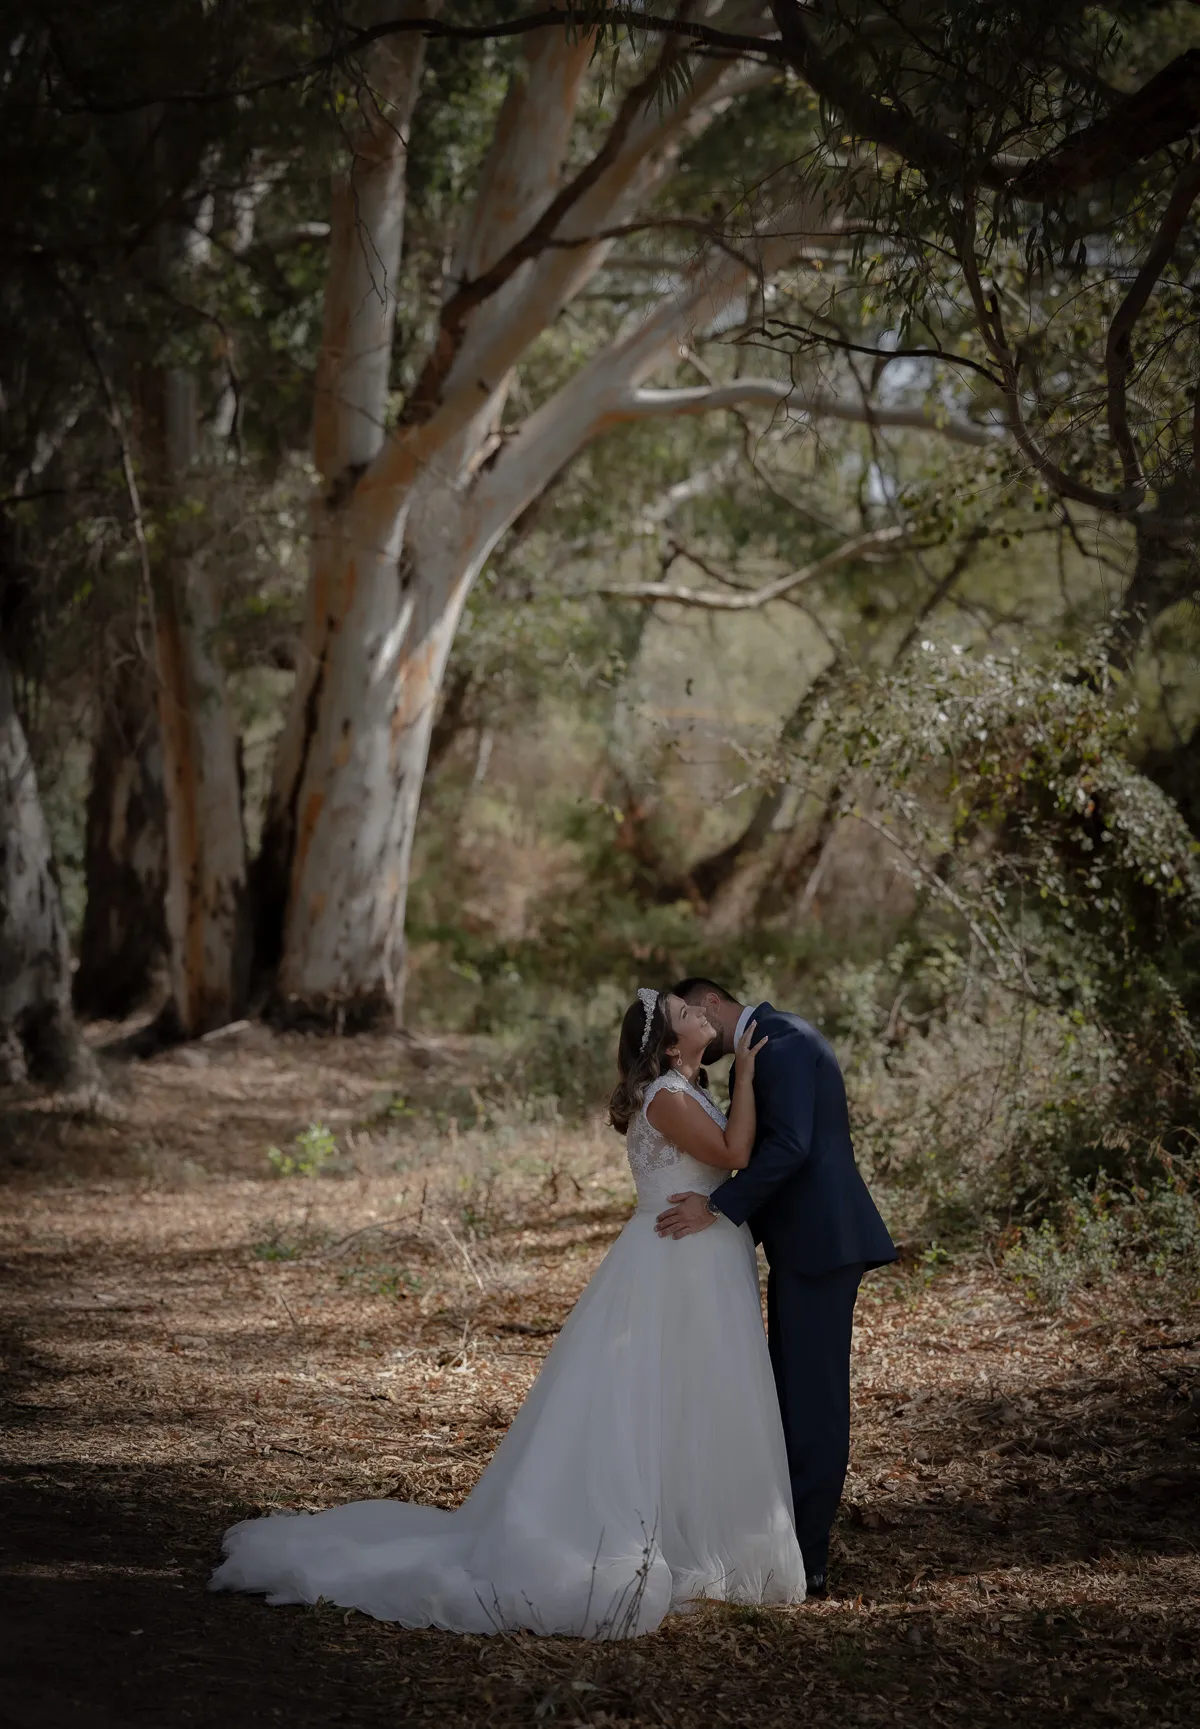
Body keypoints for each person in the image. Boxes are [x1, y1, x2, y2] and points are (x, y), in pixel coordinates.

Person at [210, 989, 806, 1638]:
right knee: (656, 1394)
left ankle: (705, 1529)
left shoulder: (681, 1087)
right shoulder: (665, 1094)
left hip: (698, 1257)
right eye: (683, 1013)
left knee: (696, 1394)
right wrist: (747, 1073)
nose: (698, 1012)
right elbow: (735, 1153)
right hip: (675, 1262)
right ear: (669, 1045)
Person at [655, 979, 897, 1597]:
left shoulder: (783, 1042)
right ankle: (785, 1537)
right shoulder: (769, 1044)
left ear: (711, 1003)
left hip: (823, 1244)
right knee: (790, 1390)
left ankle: (809, 1556)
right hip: (804, 1244)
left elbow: (790, 1146)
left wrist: (719, 1207)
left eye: (686, 1010)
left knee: (813, 1399)